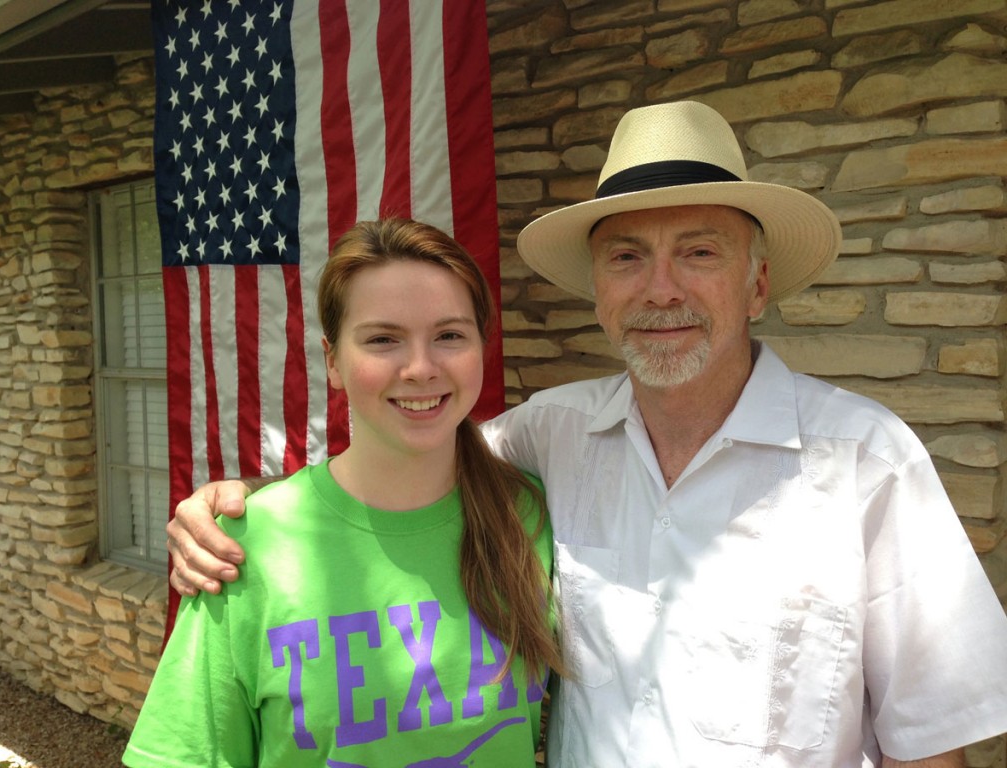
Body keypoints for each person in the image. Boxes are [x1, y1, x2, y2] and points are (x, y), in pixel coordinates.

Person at [165, 102, 1007, 767]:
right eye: (628, 257)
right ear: (599, 291)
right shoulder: (546, 439)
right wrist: (238, 505)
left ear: (757, 284)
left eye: (701, 252)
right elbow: (402, 454)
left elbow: (928, 744)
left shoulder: (866, 461)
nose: (660, 289)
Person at [124, 219, 562, 767]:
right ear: (332, 360)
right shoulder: (240, 547)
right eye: (383, 339)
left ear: (481, 347)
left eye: (450, 335)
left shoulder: (532, 516)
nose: (422, 368)